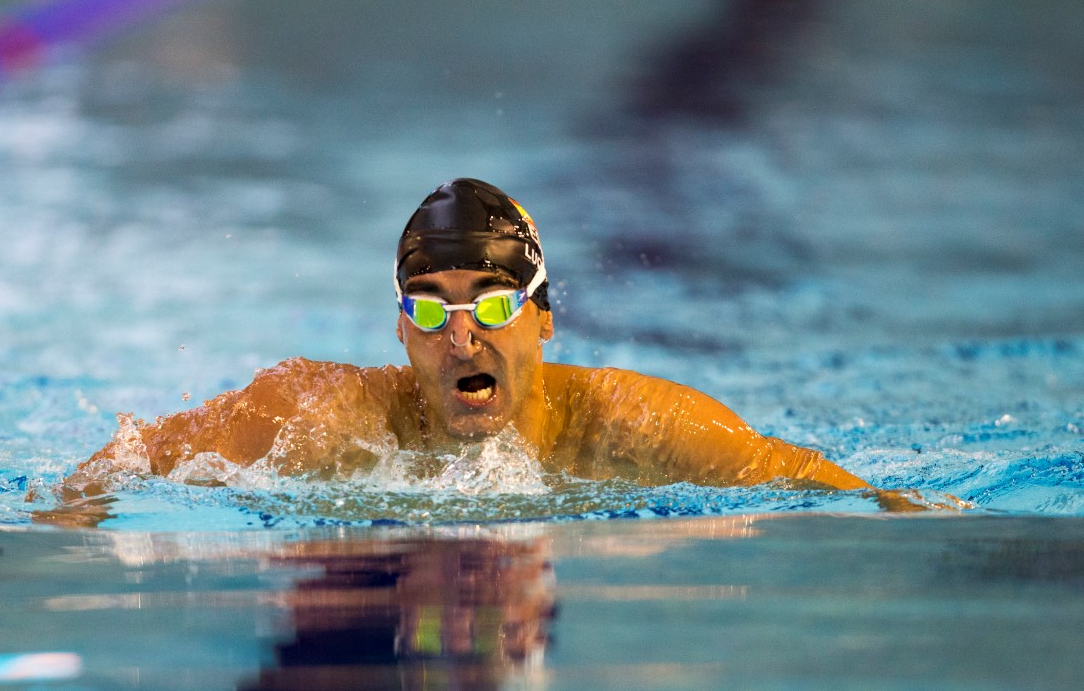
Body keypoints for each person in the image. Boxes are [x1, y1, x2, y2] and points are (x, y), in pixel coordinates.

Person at [48, 178, 933, 520]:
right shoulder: (317, 419)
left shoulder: (636, 427)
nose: (461, 334)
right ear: (399, 328)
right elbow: (116, 465)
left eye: (494, 303)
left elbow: (840, 491)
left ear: (545, 319)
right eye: (427, 310)